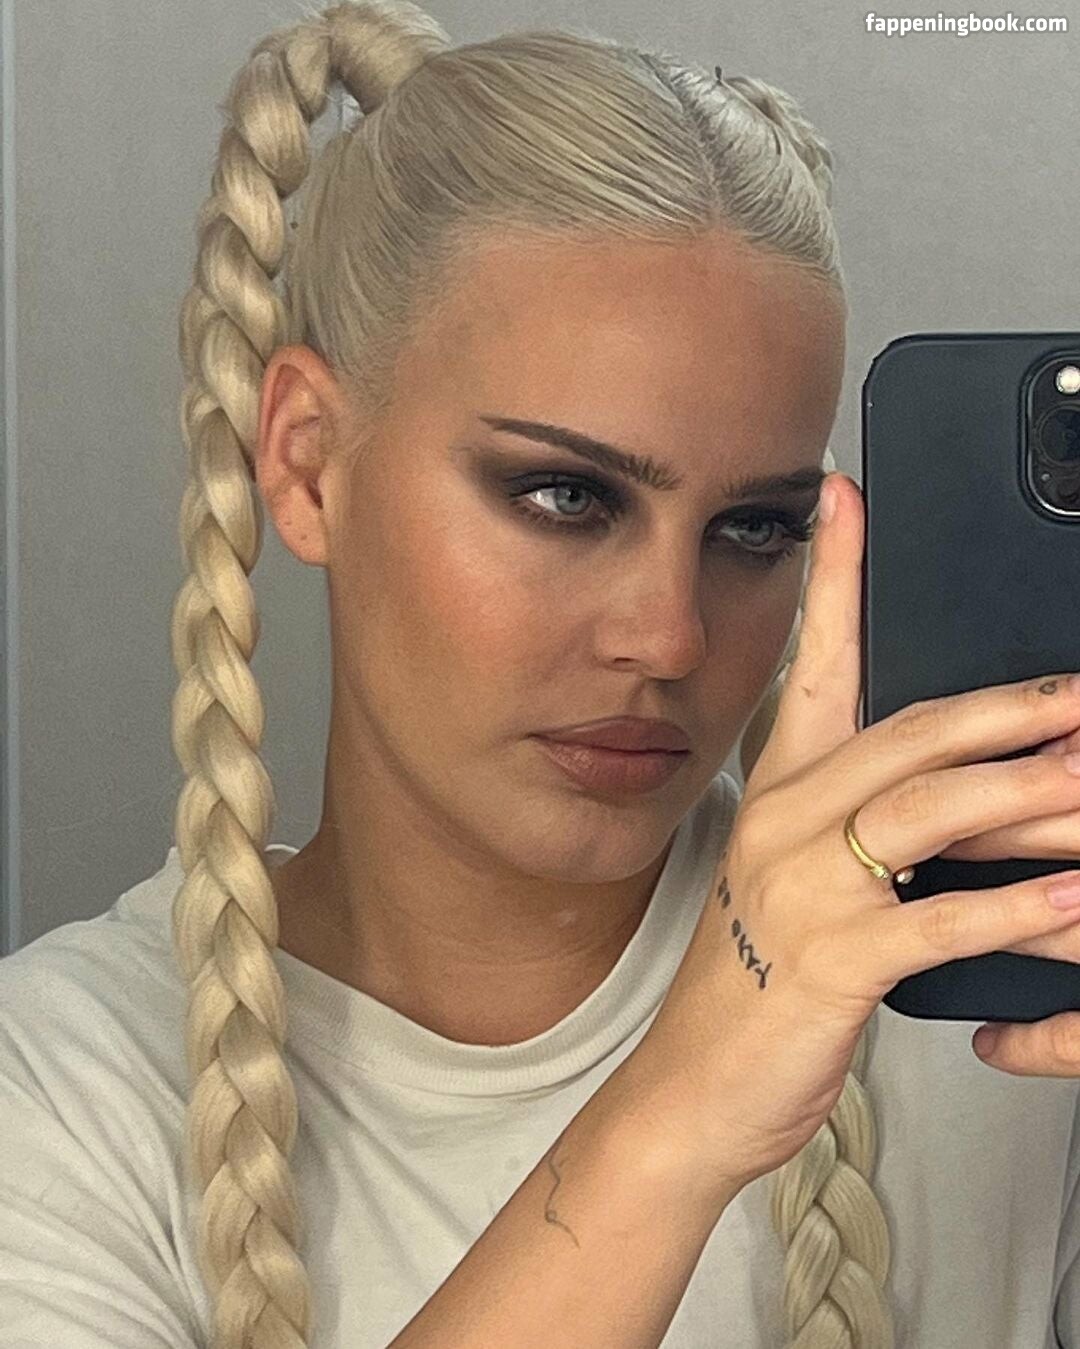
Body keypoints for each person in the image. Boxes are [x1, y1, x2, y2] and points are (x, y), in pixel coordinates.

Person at [3, 3, 1080, 1347]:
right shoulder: (58, 1094)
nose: (670, 637)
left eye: (758, 528)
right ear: (305, 462)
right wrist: (685, 1112)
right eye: (566, 496)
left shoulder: (989, 989)